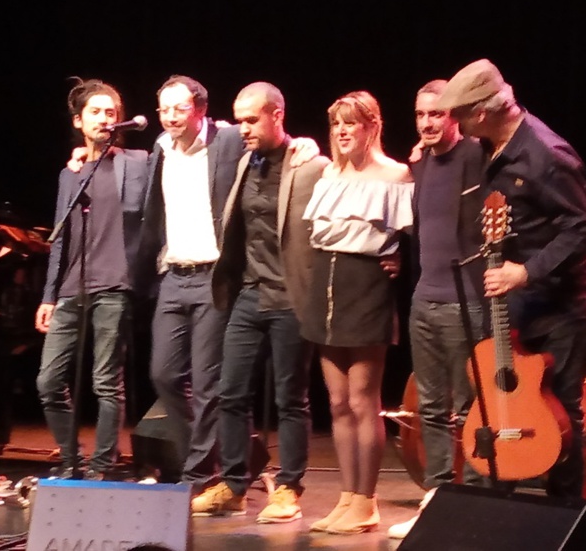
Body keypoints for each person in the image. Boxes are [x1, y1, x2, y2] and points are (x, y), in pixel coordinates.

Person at [138, 75, 319, 493]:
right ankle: (211, 461)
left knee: (212, 385)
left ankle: (201, 475)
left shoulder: (227, 141)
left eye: (179, 108)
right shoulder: (160, 148)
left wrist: (305, 143)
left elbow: (281, 141)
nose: (169, 118)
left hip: (215, 276)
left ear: (200, 109)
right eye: (163, 109)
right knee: (164, 375)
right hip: (175, 274)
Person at [436, 58, 586, 499]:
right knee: (497, 403)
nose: (457, 125)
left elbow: (583, 228)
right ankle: (501, 511)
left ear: (482, 114)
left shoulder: (547, 156)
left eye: (461, 117)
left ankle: (564, 516)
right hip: (508, 297)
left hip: (558, 303)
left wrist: (526, 271)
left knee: (561, 411)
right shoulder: (488, 146)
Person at [191, 82, 328, 522]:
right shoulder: (243, 161)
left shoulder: (308, 163)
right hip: (249, 295)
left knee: (291, 397)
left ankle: (288, 487)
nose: (243, 129)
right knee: (230, 392)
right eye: (239, 120)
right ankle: (233, 485)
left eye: (252, 120)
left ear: (277, 115)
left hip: (290, 298)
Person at [302, 91, 413, 534]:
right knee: (337, 401)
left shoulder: (396, 174)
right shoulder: (329, 172)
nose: (343, 132)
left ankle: (367, 500)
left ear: (373, 126)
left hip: (364, 285)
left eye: (352, 123)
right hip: (325, 286)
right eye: (336, 125)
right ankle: (348, 496)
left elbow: (412, 239)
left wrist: (400, 259)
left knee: (364, 399)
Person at [388, 80, 487, 539]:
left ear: (455, 117)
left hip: (467, 304)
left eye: (436, 114)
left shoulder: (476, 155)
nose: (427, 123)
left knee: (473, 409)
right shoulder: (421, 162)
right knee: (429, 406)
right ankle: (437, 496)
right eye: (420, 115)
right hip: (424, 300)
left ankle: (479, 501)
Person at [35, 78, 149, 479]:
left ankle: (103, 466)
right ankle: (70, 460)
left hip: (114, 286)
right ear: (79, 121)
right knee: (48, 381)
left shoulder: (136, 162)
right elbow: (60, 236)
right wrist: (48, 295)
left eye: (111, 113)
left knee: (106, 383)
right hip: (70, 288)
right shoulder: (71, 172)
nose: (105, 119)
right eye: (97, 112)